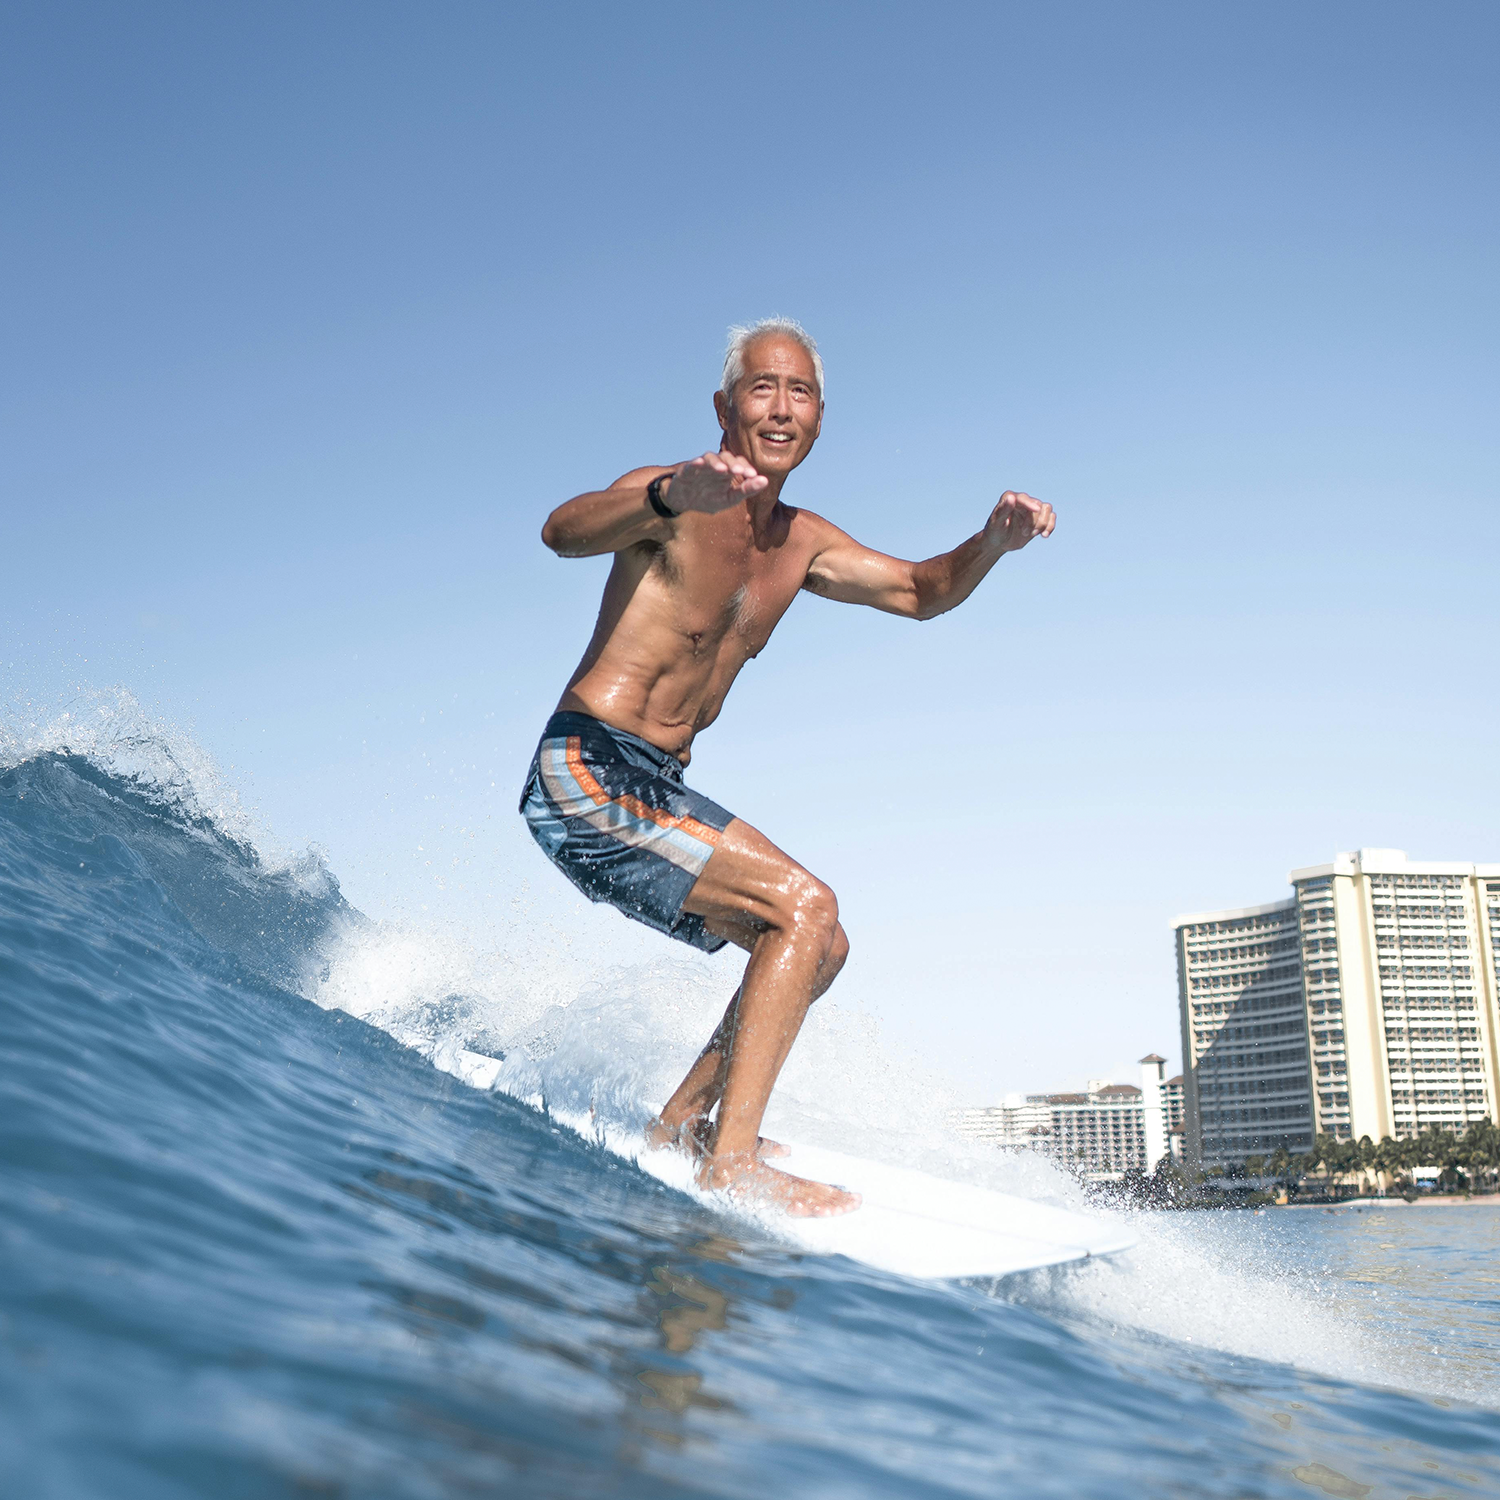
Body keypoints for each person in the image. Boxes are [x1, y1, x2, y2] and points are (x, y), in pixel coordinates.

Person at [520, 318, 1055, 1216]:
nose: (780, 406)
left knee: (820, 943)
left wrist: (991, 544)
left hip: (657, 782)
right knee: (804, 907)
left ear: (817, 420)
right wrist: (664, 496)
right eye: (762, 387)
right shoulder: (674, 497)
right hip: (586, 770)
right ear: (726, 407)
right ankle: (731, 1163)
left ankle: (686, 1124)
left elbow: (921, 591)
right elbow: (561, 533)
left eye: (799, 392)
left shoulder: (801, 541)